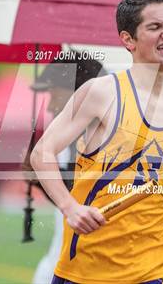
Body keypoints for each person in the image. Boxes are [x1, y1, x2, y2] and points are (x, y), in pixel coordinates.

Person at [31, 0, 163, 283]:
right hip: (88, 270)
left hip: (154, 269)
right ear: (128, 40)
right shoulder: (101, 93)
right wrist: (69, 207)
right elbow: (42, 153)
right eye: (154, 27)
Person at [26, 55, 106, 284]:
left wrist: (42, 178)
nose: (50, 105)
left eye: (55, 94)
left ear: (78, 94)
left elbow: (90, 206)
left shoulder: (109, 139)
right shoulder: (63, 143)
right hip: (64, 255)